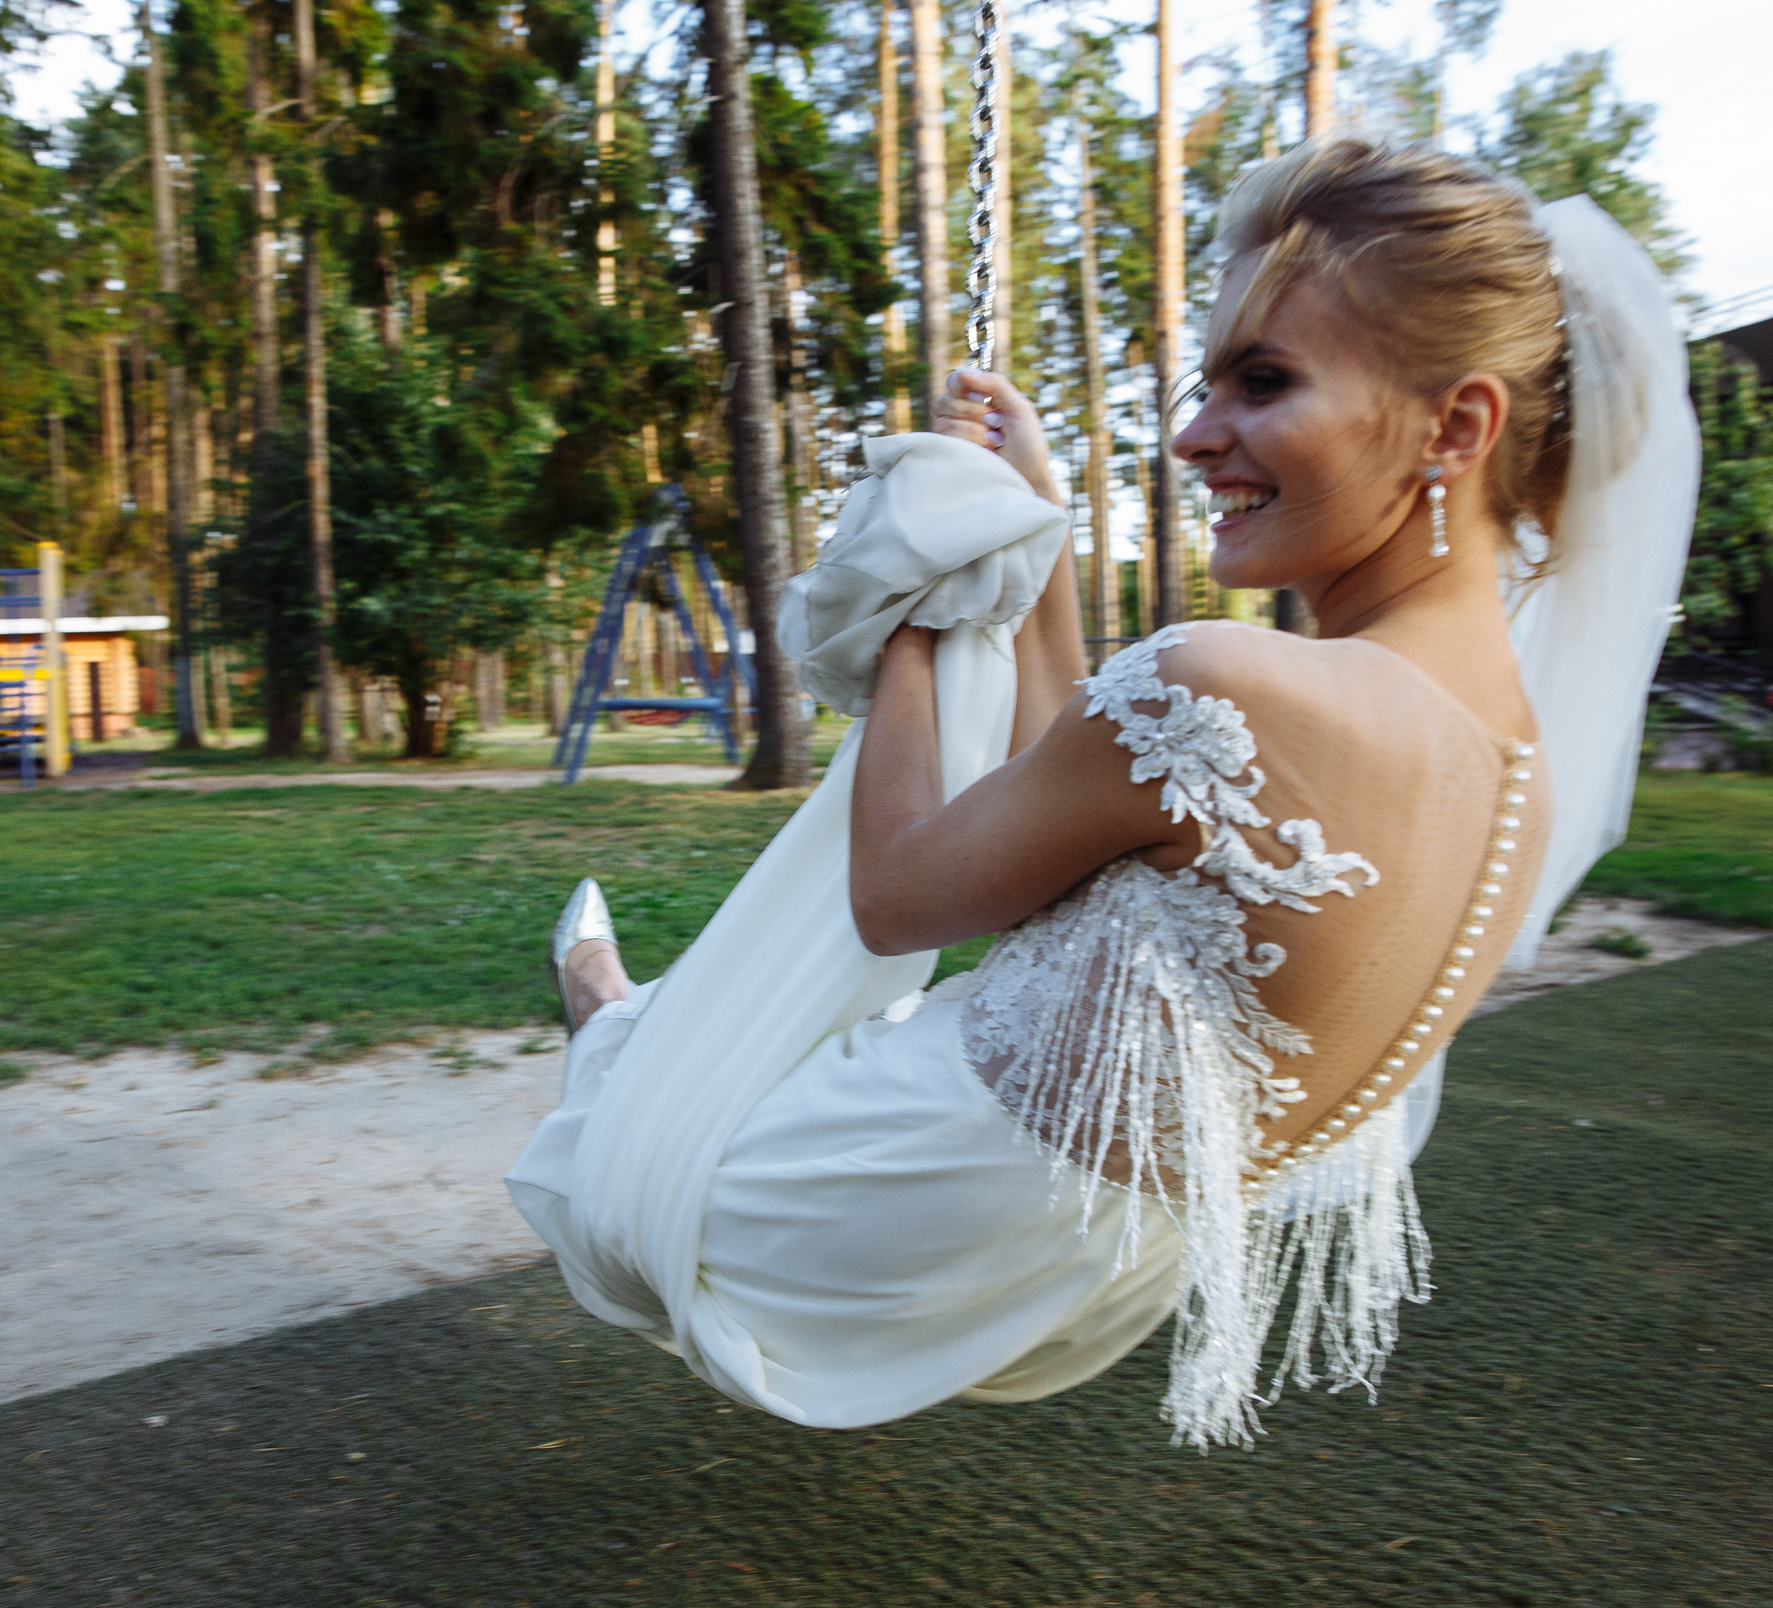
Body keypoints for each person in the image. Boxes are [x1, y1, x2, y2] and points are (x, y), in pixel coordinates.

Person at [506, 138, 1697, 1449]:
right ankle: (620, 1022)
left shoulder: (1239, 690)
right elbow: (1087, 823)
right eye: (1204, 388)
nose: (1194, 437)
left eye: (1263, 381)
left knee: (633, 1136)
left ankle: (609, 1026)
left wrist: (920, 596)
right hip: (1052, 1274)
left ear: (1454, 427)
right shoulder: (1520, 778)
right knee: (710, 1050)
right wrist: (1044, 547)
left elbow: (899, 897)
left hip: (845, 1203)